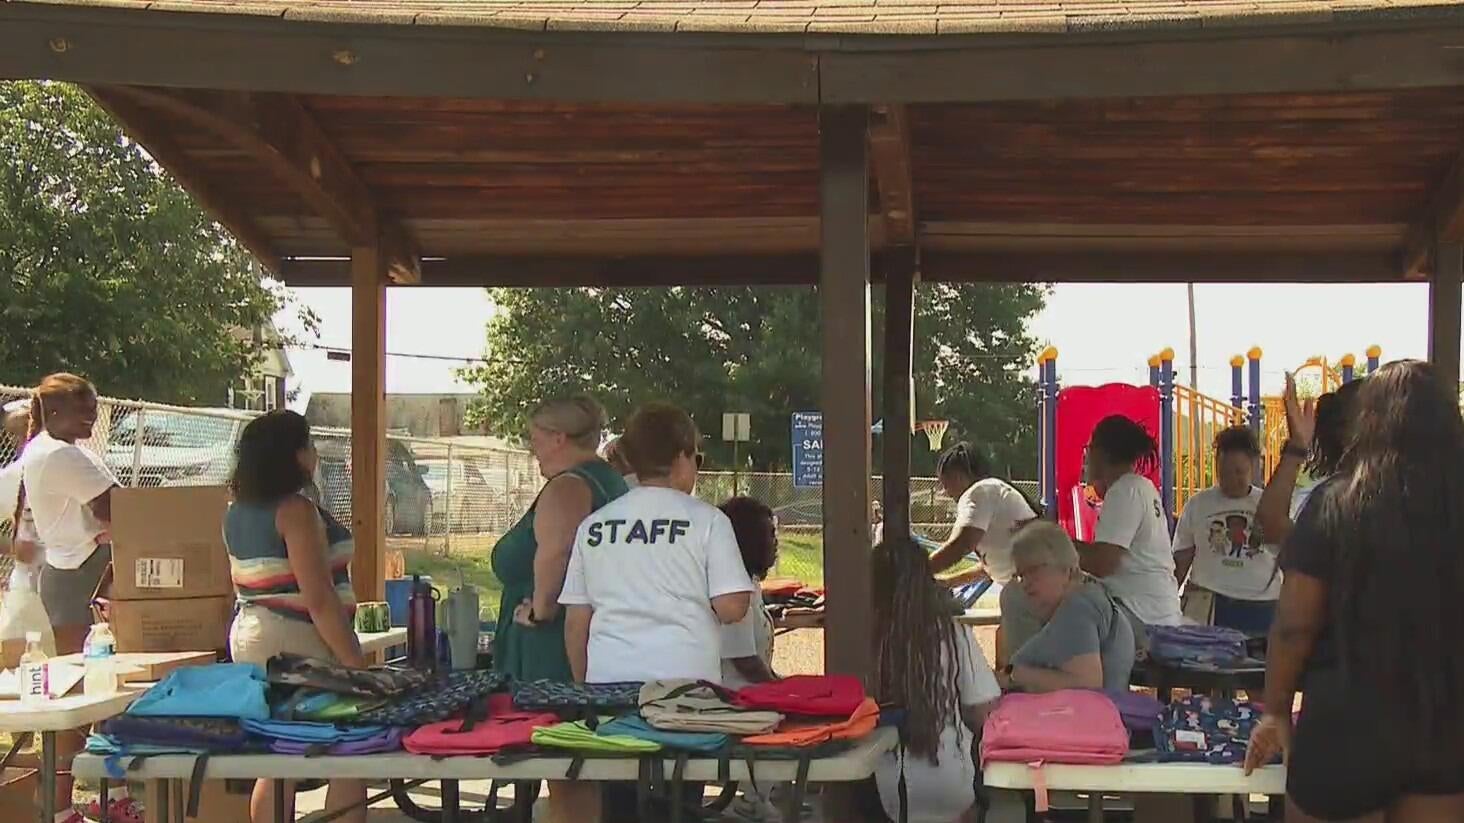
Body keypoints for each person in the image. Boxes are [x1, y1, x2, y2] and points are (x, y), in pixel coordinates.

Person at [1246, 361, 1464, 822]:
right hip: (1445, 724)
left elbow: (1294, 628)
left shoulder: (1337, 503)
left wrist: (1277, 711)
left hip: (1347, 723)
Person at [224, 410, 366, 823]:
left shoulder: (235, 512)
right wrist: (356, 665)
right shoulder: (295, 511)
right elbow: (319, 598)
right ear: (293, 454)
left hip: (251, 632)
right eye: (309, 444)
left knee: (277, 755)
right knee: (350, 745)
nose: (314, 452)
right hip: (296, 637)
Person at [560, 402, 753, 684]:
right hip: (685, 686)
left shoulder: (593, 526)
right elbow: (732, 608)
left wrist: (585, 687)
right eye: (696, 459)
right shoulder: (709, 521)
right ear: (681, 457)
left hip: (609, 681)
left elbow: (576, 622)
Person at [492, 396, 627, 682]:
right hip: (595, 630)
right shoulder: (611, 480)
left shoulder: (568, 487)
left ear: (558, 438)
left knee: (547, 711)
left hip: (550, 646)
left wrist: (539, 613)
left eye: (535, 439)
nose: (533, 450)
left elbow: (558, 554)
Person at [871, 536, 1001, 823]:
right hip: (948, 775)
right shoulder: (953, 634)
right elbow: (983, 712)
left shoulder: (864, 638)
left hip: (882, 784)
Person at [1071, 415, 1183, 628]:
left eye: (1089, 449)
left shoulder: (1124, 491)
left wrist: (1054, 543)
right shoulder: (1142, 487)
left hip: (1139, 614)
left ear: (1101, 454)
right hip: (1157, 612)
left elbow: (1102, 564)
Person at [997, 522, 1135, 693]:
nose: (1025, 583)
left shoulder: (1079, 607)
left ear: (1066, 569)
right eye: (1021, 576)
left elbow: (1087, 685)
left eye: (1033, 570)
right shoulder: (1084, 599)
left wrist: (1014, 676)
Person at [1171, 426, 1279, 634]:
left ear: (1254, 466)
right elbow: (1181, 560)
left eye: (1239, 472)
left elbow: (1290, 559)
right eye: (1224, 473)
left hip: (1262, 608)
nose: (1230, 481)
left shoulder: (1271, 504)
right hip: (1207, 604)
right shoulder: (1197, 505)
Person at [1255, 373, 1364, 547]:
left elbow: (1268, 528)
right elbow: (1269, 528)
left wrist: (1297, 448)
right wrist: (1297, 447)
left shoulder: (1323, 496)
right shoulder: (1329, 500)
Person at [926, 442, 1041, 584]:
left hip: (1035, 586)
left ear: (958, 476)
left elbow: (960, 545)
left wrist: (917, 571)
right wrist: (950, 581)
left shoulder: (978, 491)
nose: (946, 491)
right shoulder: (993, 491)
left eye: (945, 483)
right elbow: (993, 566)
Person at [718, 496, 780, 688]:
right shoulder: (730, 590)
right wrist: (780, 689)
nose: (776, 542)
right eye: (770, 534)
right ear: (751, 541)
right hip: (733, 697)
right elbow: (746, 662)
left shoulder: (749, 582)